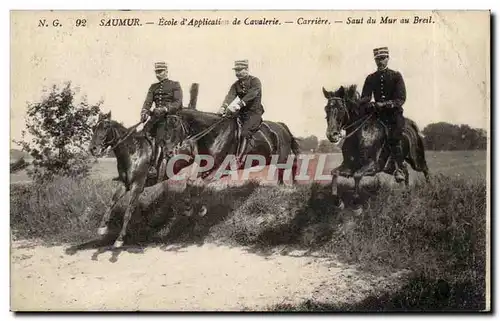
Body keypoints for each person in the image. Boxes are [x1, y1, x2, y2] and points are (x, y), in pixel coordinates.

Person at [360, 47, 407, 182]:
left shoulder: (396, 76)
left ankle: (398, 168)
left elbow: (401, 98)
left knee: (393, 136)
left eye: (382, 58)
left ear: (388, 58)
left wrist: (386, 104)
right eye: (377, 59)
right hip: (378, 115)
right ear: (375, 60)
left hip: (393, 115)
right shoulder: (370, 78)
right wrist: (363, 102)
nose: (380, 61)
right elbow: (366, 97)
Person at [140, 61, 183, 177]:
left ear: (166, 71)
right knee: (143, 135)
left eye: (161, 71)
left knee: (159, 137)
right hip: (155, 117)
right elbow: (148, 101)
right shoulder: (153, 87)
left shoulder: (175, 84)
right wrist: (144, 111)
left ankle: (154, 166)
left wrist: (165, 108)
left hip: (170, 118)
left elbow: (178, 102)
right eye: (156, 72)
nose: (158, 74)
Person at [218, 59, 265, 165]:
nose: (237, 73)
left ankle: (239, 158)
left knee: (244, 132)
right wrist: (223, 107)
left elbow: (252, 95)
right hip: (241, 112)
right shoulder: (236, 85)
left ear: (247, 70)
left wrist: (239, 105)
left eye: (240, 70)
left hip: (254, 113)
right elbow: (230, 96)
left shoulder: (255, 81)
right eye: (236, 70)